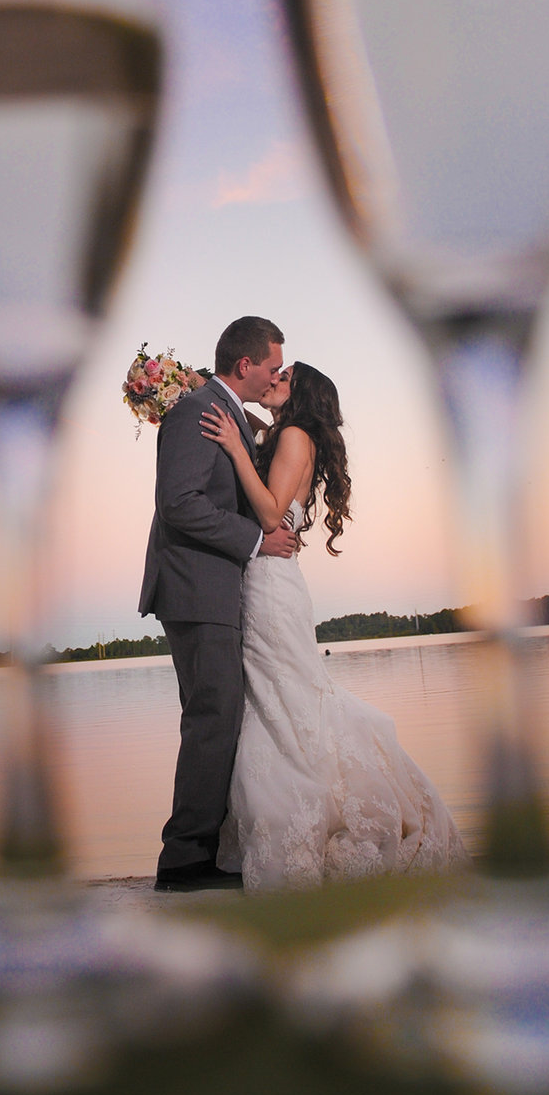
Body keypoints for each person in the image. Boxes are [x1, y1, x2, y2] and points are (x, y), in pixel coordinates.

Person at [201, 361, 466, 891]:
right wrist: (210, 396)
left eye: (285, 377)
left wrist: (234, 448)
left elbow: (273, 515)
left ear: (302, 396)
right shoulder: (286, 434)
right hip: (271, 579)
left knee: (288, 699)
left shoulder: (295, 436)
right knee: (286, 698)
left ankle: (310, 816)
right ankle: (305, 805)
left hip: (271, 584)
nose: (273, 380)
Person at [139, 316, 298, 891]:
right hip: (195, 587)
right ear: (244, 365)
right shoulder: (193, 412)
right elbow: (178, 503)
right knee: (212, 719)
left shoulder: (227, 411)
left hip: (214, 588)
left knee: (219, 718)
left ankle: (204, 850)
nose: (276, 375)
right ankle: (184, 862)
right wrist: (256, 539)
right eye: (272, 367)